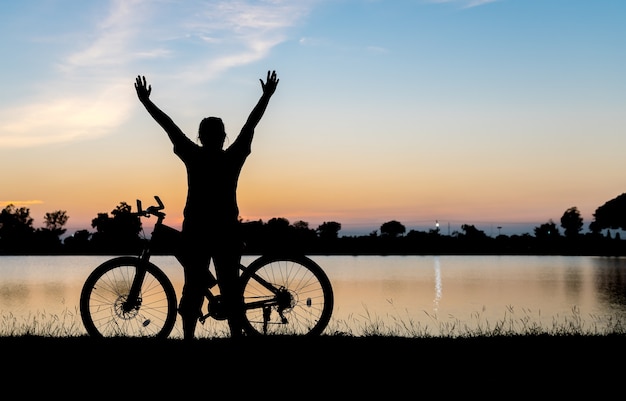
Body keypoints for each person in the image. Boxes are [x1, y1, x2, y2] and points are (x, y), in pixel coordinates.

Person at [134, 70, 279, 340]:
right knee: (230, 287)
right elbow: (251, 125)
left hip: (198, 231)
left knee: (194, 286)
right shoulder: (232, 157)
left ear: (200, 137)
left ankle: (189, 339)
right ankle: (236, 336)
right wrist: (266, 96)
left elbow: (169, 126)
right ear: (224, 137)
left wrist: (146, 102)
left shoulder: (193, 155)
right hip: (225, 231)